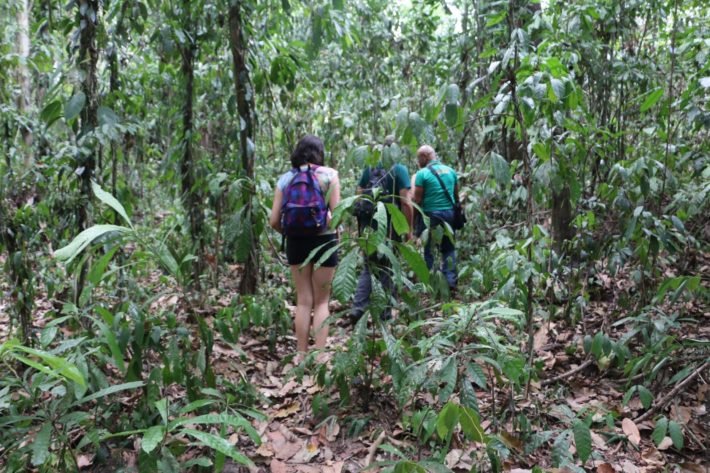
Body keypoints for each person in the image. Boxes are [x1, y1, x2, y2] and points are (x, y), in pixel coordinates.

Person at [269, 135, 341, 353]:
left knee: (303, 301)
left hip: (296, 241)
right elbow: (337, 215)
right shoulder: (330, 175)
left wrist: (290, 232)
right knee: (321, 302)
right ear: (320, 153)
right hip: (324, 241)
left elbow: (273, 220)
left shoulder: (286, 179)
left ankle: (301, 356)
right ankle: (319, 358)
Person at [350, 136, 413, 323]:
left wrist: (359, 226)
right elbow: (406, 203)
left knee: (369, 266)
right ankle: (384, 314)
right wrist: (408, 230)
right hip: (389, 225)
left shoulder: (370, 167)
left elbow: (359, 195)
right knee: (386, 267)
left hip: (368, 224)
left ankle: (358, 306)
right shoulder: (399, 168)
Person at [412, 145, 458, 291]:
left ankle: (431, 284)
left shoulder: (422, 174)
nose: (418, 162)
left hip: (431, 215)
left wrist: (414, 225)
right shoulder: (450, 171)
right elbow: (456, 197)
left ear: (425, 157)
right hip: (449, 214)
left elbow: (417, 200)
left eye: (418, 158)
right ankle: (450, 280)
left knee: (429, 249)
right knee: (448, 247)